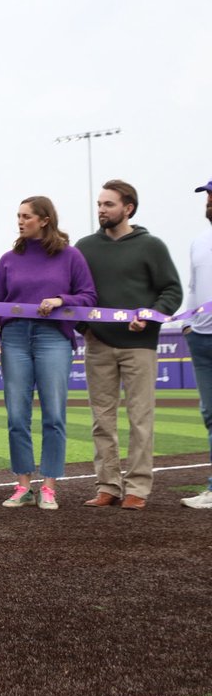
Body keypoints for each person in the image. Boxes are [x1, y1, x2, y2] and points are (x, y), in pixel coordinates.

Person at [75, 181, 181, 511]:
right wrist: (86, 328)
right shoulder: (84, 247)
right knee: (101, 420)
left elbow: (172, 292)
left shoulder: (151, 246)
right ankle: (107, 485)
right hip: (98, 345)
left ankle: (137, 487)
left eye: (108, 204)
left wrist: (149, 317)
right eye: (99, 204)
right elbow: (77, 292)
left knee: (140, 418)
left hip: (140, 346)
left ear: (128, 208)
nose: (101, 210)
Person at [0, 196, 96, 510]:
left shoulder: (70, 256)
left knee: (54, 415)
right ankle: (23, 484)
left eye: (26, 216)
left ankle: (49, 486)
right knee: (17, 416)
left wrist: (61, 300)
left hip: (54, 337)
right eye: (18, 216)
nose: (20, 221)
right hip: (15, 337)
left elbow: (89, 297)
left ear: (45, 219)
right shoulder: (9, 258)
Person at [181, 180, 212, 509]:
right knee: (210, 414)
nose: (208, 200)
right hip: (201, 337)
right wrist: (188, 324)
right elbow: (192, 285)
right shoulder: (199, 242)